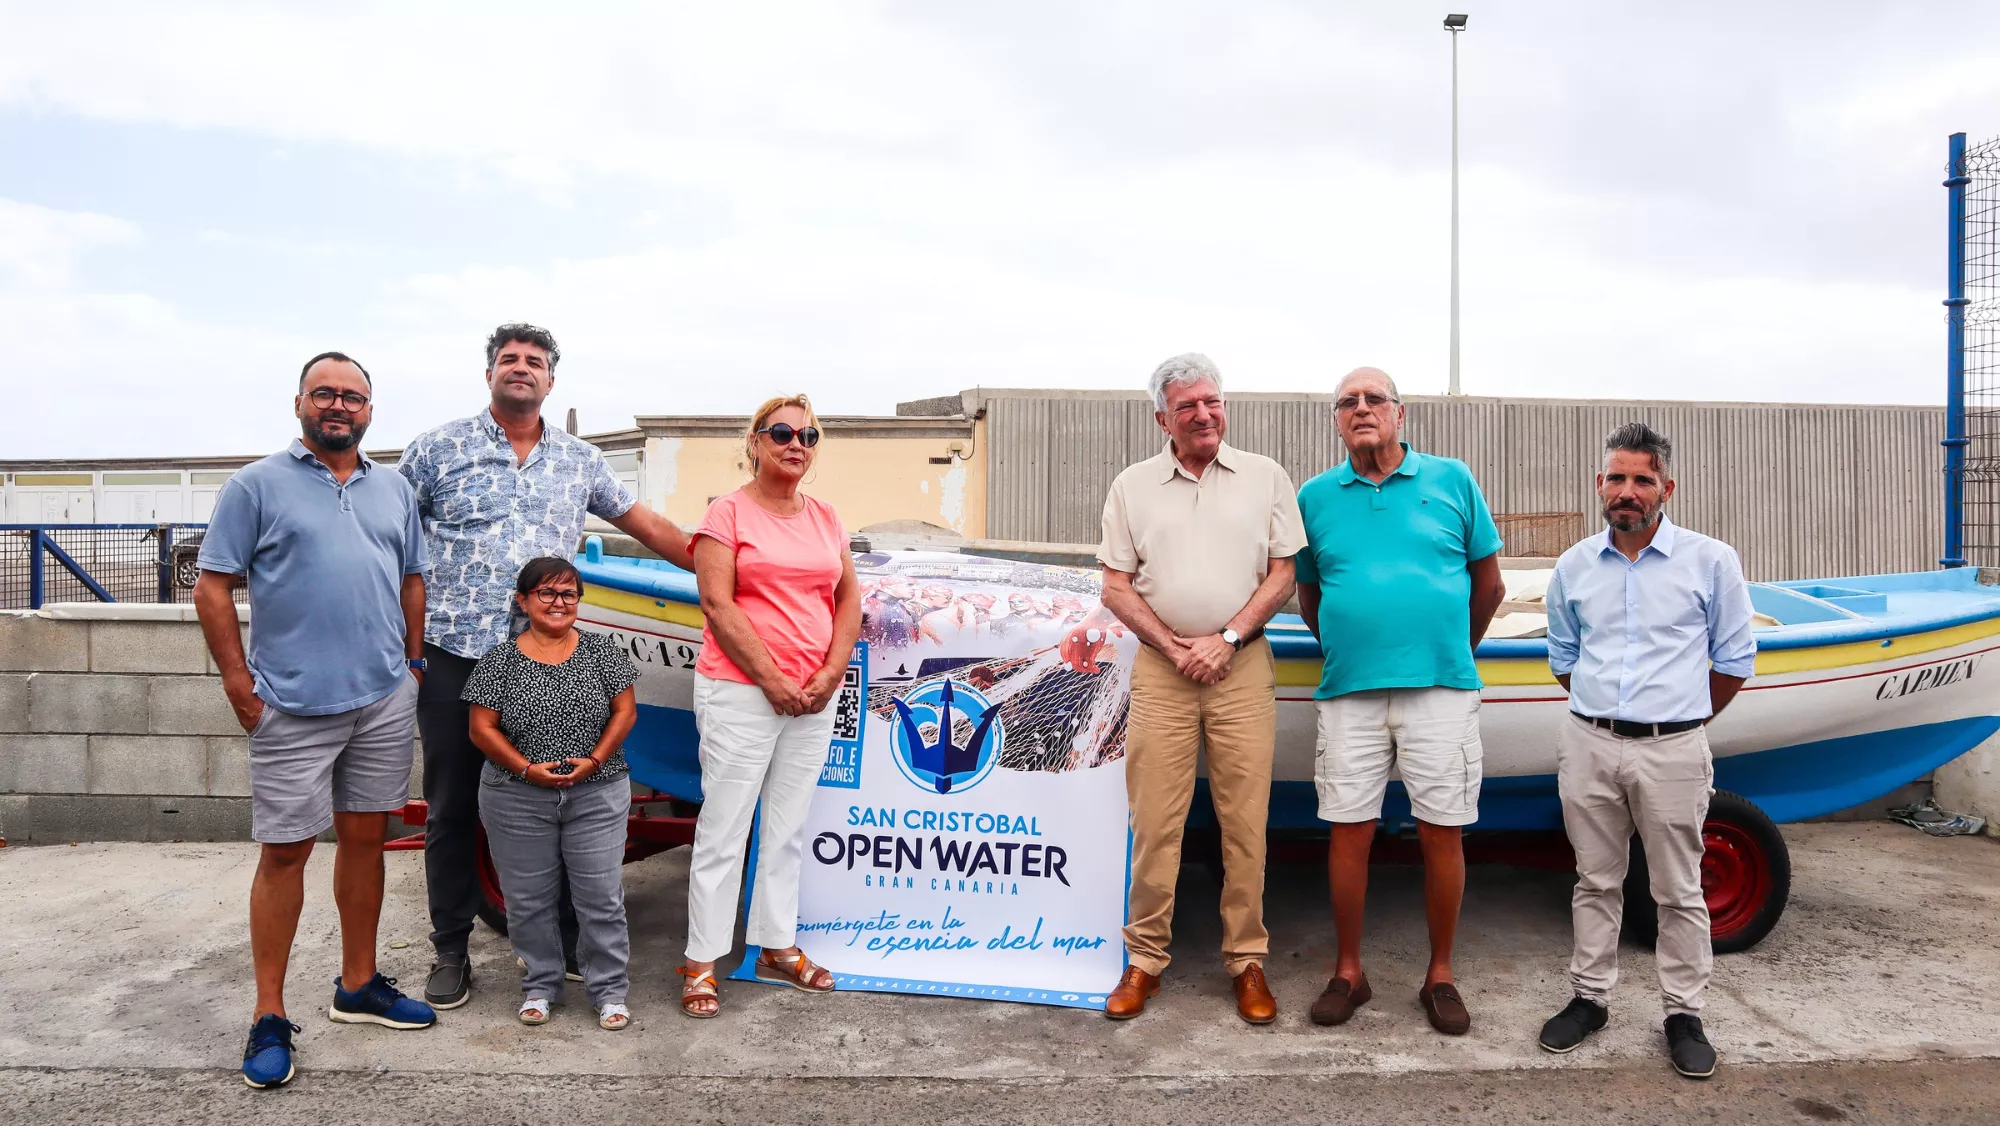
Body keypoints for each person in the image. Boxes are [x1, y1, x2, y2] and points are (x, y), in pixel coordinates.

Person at [396, 323, 695, 1010]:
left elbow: (652, 530)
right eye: (509, 359)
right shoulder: (437, 449)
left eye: (535, 361)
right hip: (453, 653)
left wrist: (736, 569)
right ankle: (450, 950)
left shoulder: (581, 461)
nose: (521, 368)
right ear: (490, 373)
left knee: (558, 799)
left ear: (551, 380)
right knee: (452, 809)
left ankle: (561, 947)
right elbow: (387, 537)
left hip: (547, 664)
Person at [192, 352, 436, 1090]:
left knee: (367, 840)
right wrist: (240, 683)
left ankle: (357, 985)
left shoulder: (392, 488)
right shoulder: (256, 486)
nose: (339, 406)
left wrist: (415, 665)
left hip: (383, 701)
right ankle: (269, 1013)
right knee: (285, 856)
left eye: (353, 397)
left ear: (370, 409)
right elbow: (211, 587)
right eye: (325, 394)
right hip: (291, 707)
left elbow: (412, 577)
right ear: (300, 401)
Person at [1537, 423, 1754, 1080]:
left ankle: (1683, 1013)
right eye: (1616, 478)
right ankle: (1589, 998)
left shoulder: (1711, 561)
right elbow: (1564, 658)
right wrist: (1608, 714)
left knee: (1678, 889)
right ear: (1600, 484)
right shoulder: (1574, 566)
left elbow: (1734, 660)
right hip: (1590, 744)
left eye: (1642, 479)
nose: (1627, 492)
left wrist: (1677, 718)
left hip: (1674, 750)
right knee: (1595, 879)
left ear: (1667, 487)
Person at [1293, 366, 1506, 1036]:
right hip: (1349, 692)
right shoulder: (1315, 497)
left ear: (1400, 412)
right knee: (1347, 831)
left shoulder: (1452, 480)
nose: (1361, 409)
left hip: (1441, 688)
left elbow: (1490, 585)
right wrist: (1351, 643)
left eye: (1373, 399)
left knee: (1443, 832)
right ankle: (1349, 973)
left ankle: (1440, 975)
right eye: (1347, 402)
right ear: (1336, 419)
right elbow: (1308, 596)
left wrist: (1449, 649)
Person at [1096, 353, 1306, 1024]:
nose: (1204, 414)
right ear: (1163, 417)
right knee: (1155, 823)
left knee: (1244, 823)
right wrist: (1175, 647)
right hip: (1163, 669)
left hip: (1240, 666)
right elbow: (1115, 585)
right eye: (1187, 406)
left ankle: (1247, 961)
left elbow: (1283, 574)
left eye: (1212, 401)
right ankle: (1144, 960)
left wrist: (1229, 639)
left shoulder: (1265, 477)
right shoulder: (1132, 486)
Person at [679, 394, 862, 1018]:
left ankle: (776, 944)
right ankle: (702, 960)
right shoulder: (725, 514)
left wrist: (830, 673)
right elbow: (718, 605)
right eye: (782, 432)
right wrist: (774, 679)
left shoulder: (828, 516)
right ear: (755, 441)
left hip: (814, 694)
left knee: (787, 829)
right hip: (740, 690)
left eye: (808, 436)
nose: (796, 444)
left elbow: (847, 602)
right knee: (726, 828)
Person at [462, 557, 641, 1032]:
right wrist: (526, 768)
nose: (559, 603)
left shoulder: (603, 652)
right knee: (527, 900)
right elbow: (481, 728)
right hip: (515, 796)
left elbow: (625, 712)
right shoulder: (499, 660)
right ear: (523, 601)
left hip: (597, 791)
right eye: (546, 593)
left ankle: (609, 991)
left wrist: (596, 759)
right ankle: (540, 985)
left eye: (569, 594)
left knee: (600, 896)